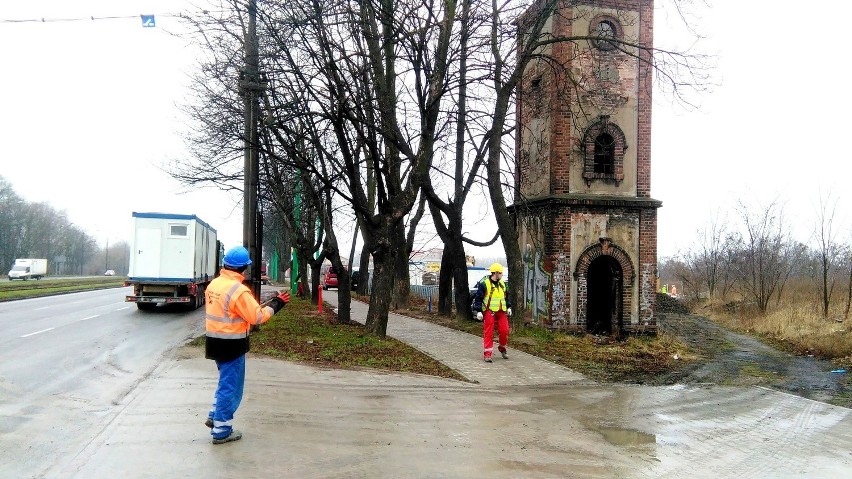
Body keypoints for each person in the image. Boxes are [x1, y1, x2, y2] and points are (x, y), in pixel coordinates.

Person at [204, 245, 290, 444]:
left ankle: (214, 414)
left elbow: (232, 311)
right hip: (232, 345)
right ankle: (221, 430)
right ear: (244, 268)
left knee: (224, 382)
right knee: (230, 387)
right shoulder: (239, 290)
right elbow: (256, 317)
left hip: (214, 343)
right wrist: (277, 304)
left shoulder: (214, 284)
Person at [471, 262, 512, 363]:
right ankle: (487, 354)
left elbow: (506, 297)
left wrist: (509, 307)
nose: (502, 275)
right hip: (490, 311)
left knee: (505, 330)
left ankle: (502, 348)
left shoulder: (502, 284)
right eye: (501, 273)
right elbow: (478, 299)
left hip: (502, 311)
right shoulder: (484, 284)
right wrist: (479, 311)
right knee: (488, 332)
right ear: (496, 273)